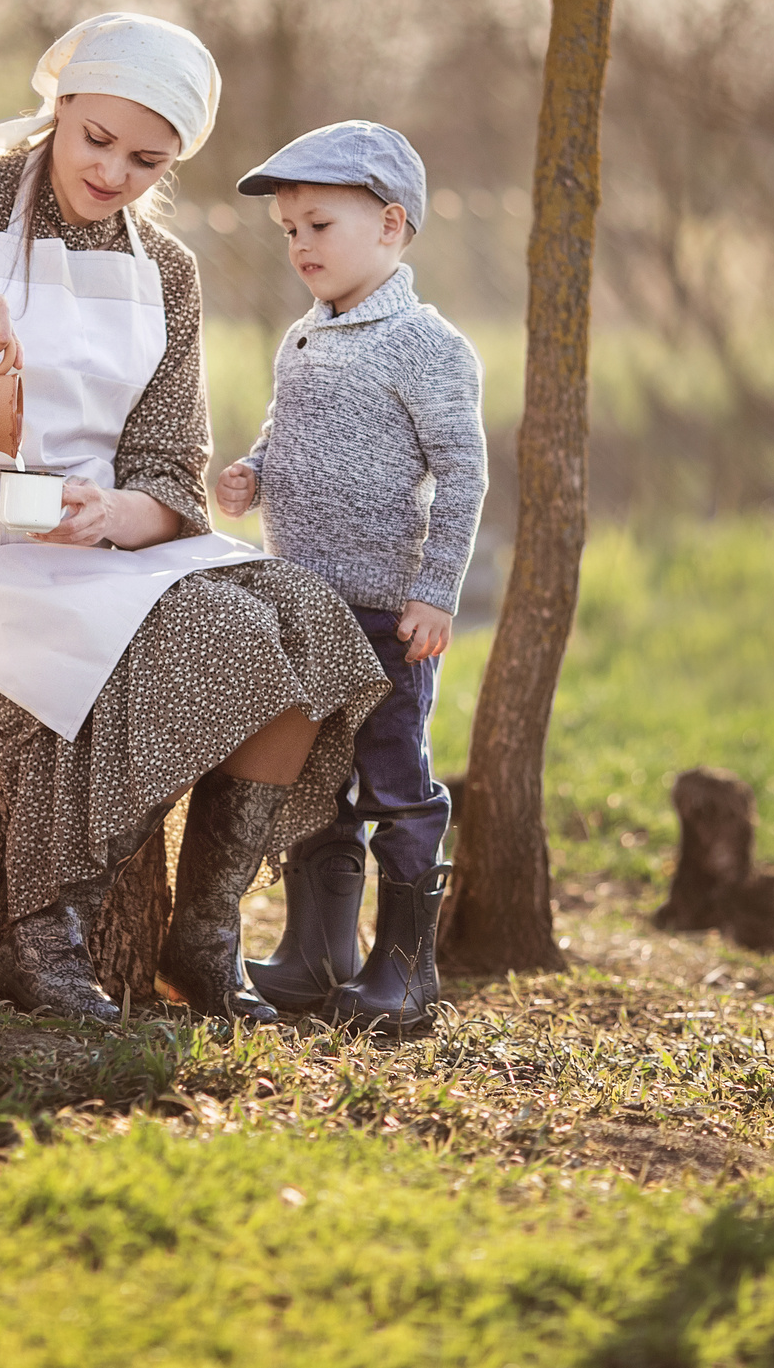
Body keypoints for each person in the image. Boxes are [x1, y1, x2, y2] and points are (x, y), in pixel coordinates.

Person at [0, 12, 389, 1025]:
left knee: (307, 621)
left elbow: (170, 472)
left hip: (88, 547)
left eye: (147, 160)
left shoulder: (168, 271)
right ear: (58, 108)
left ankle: (204, 930)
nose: (112, 173)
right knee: (204, 637)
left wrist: (118, 515)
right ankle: (42, 927)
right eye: (95, 139)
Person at [214, 122, 486, 1032]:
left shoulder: (427, 344)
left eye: (319, 225)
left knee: (395, 783)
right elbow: (287, 431)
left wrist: (436, 590)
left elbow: (464, 473)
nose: (299, 246)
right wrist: (255, 470)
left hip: (384, 615)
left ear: (391, 226)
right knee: (313, 779)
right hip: (304, 604)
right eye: (289, 230)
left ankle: (406, 970)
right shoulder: (305, 335)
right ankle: (315, 953)